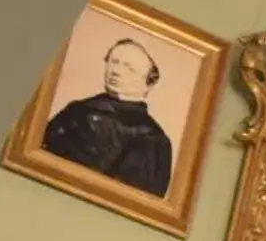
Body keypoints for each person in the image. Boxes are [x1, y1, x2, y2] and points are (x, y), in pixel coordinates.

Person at [43, 35, 174, 198]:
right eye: (113, 62)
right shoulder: (77, 110)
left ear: (148, 82)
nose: (116, 71)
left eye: (129, 68)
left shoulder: (152, 138)